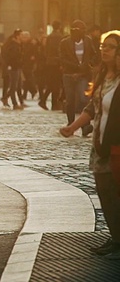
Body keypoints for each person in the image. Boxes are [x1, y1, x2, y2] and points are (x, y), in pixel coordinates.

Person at [59, 31, 120, 259]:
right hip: (100, 147)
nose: (105, 50)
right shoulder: (104, 77)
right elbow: (92, 109)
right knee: (105, 192)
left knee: (116, 193)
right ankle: (116, 236)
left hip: (116, 146)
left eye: (111, 47)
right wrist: (72, 127)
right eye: (104, 46)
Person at [59, 19, 96, 136]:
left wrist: (86, 65)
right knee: (70, 101)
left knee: (83, 98)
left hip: (83, 74)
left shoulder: (88, 41)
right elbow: (62, 58)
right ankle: (71, 123)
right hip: (69, 74)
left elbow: (93, 55)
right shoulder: (64, 42)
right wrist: (75, 66)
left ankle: (85, 125)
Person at [39, 20, 64, 111]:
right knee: (56, 84)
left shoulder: (49, 37)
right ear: (59, 27)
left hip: (49, 62)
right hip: (57, 63)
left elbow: (46, 50)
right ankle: (54, 104)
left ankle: (44, 100)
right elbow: (60, 50)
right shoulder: (60, 37)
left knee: (52, 84)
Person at [2, 29, 24, 110]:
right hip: (14, 67)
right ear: (17, 36)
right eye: (21, 35)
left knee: (17, 86)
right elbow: (11, 57)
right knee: (13, 87)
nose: (22, 37)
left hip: (17, 67)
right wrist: (11, 65)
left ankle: (5, 98)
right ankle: (14, 104)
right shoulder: (13, 45)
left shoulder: (18, 44)